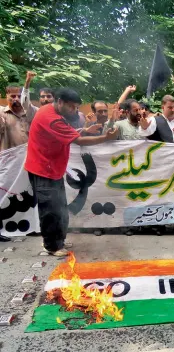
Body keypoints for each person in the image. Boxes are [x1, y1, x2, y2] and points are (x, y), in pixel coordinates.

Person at [24, 88, 118, 256]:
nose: (75, 111)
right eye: (72, 107)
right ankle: (51, 246)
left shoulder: (52, 111)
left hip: (53, 168)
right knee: (50, 209)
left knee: (59, 206)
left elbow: (70, 133)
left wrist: (84, 130)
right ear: (60, 102)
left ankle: (58, 240)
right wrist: (105, 138)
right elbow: (78, 141)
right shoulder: (51, 118)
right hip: (43, 169)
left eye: (76, 107)